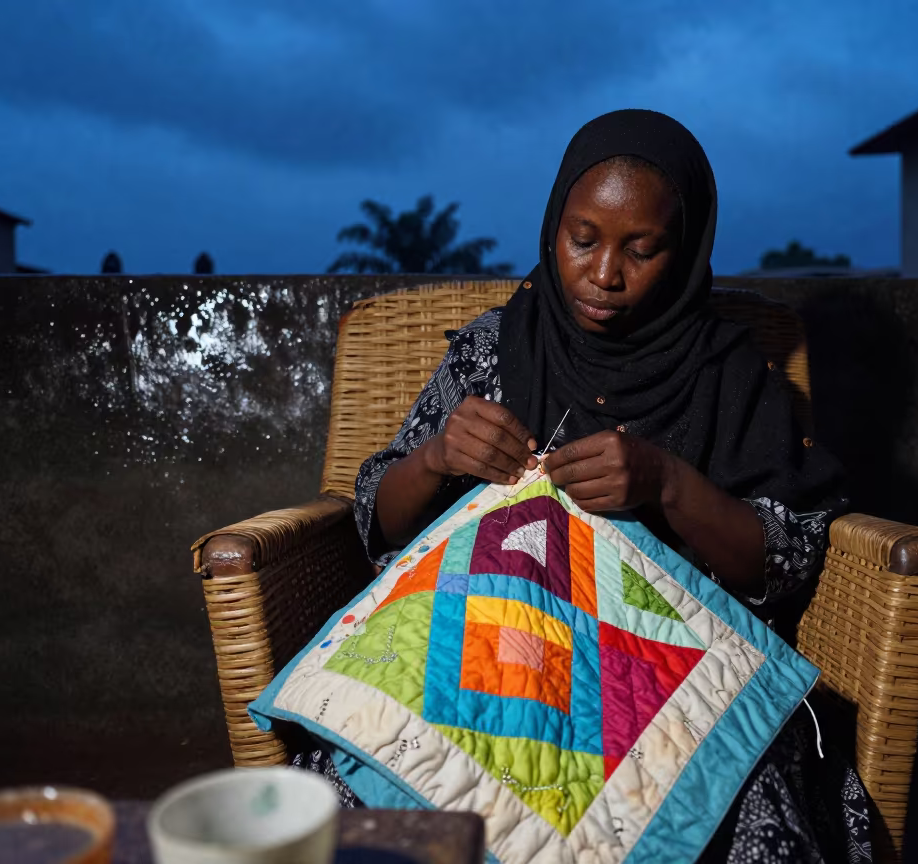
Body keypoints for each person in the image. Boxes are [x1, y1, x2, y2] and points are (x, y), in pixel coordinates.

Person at [295, 109, 873, 863]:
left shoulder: (730, 376)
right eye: (583, 240)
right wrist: (439, 457)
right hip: (488, 659)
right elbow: (377, 520)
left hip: (669, 683)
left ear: (688, 249)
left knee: (752, 808)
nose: (605, 275)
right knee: (351, 787)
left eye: (643, 249)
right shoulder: (495, 349)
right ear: (551, 227)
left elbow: (784, 562)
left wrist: (666, 482)